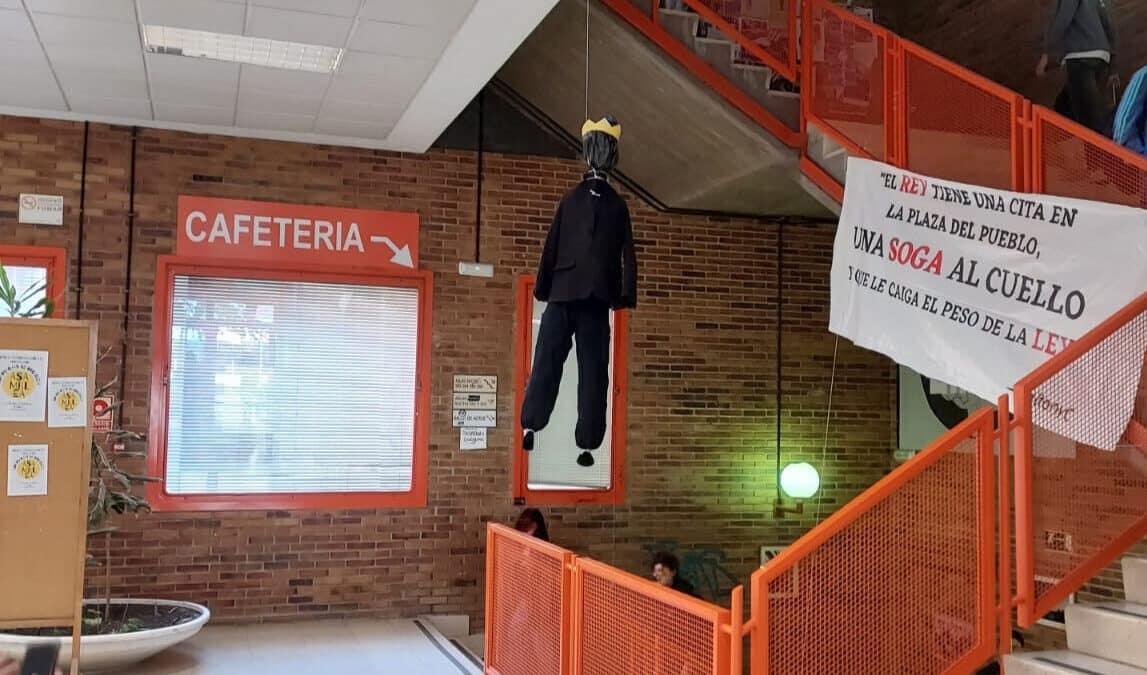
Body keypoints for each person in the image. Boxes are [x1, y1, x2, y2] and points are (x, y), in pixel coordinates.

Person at [1037, 0, 1118, 134]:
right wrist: (1113, 68)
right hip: (1100, 59)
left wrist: (1046, 53)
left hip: (1081, 59)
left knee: (1088, 121)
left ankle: (1094, 151)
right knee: (1065, 105)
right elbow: (1109, 27)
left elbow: (1063, 20)